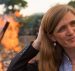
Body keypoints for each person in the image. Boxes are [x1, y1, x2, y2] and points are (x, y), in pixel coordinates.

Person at [7, 4, 75, 71]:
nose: (71, 32)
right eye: (62, 29)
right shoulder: (47, 66)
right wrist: (37, 43)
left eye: (73, 24)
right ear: (52, 37)